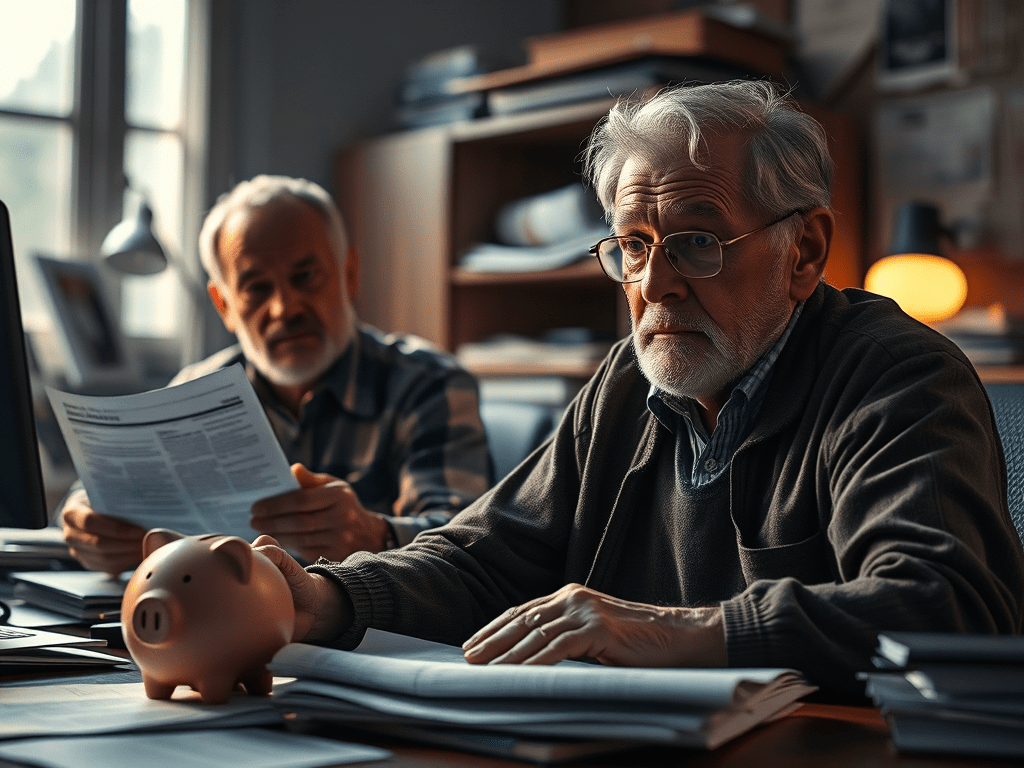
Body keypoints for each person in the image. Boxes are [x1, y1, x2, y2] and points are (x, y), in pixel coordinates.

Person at [257, 81, 1024, 697]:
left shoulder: (896, 375)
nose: (656, 285)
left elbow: (943, 605)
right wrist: (318, 600)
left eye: (696, 242)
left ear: (805, 250)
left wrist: (670, 630)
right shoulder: (626, 380)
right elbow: (484, 559)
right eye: (633, 245)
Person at [59, 175, 493, 574]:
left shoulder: (429, 383)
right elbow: (99, 493)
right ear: (224, 305)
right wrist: (89, 523)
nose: (285, 309)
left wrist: (374, 534)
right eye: (257, 288)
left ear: (350, 274)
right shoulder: (195, 389)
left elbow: (470, 545)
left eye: (306, 277)